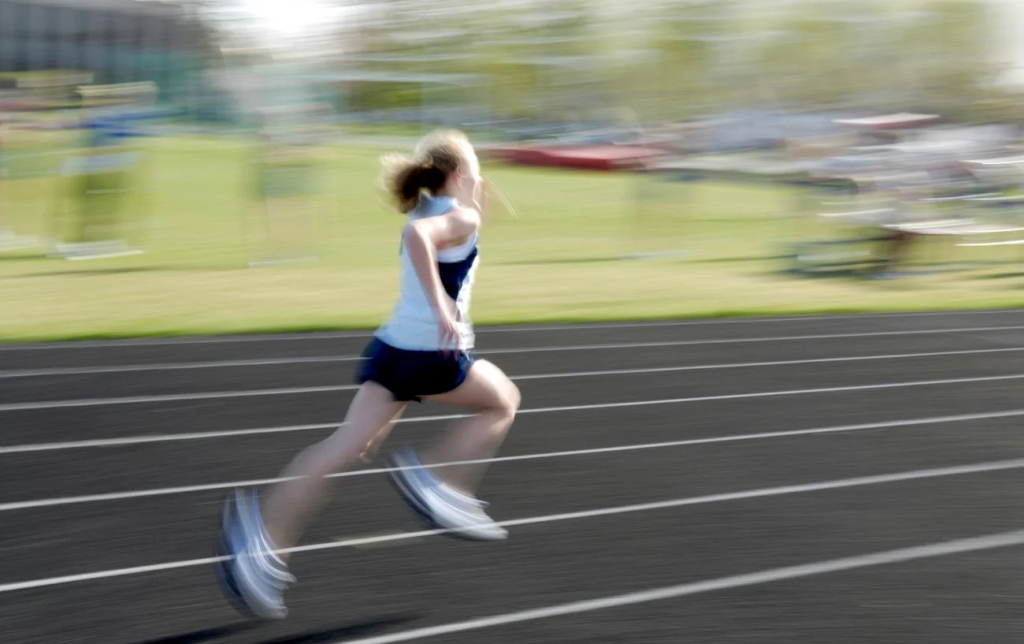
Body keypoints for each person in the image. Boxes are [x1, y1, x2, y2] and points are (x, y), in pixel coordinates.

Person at [216, 129, 521, 620]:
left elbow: (426, 231)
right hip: (432, 355)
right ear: (461, 176)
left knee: (347, 445)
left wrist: (474, 204)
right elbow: (420, 239)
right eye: (477, 172)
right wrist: (443, 304)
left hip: (392, 349)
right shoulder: (456, 216)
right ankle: (439, 479)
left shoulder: (427, 207)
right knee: (503, 400)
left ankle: (260, 541)